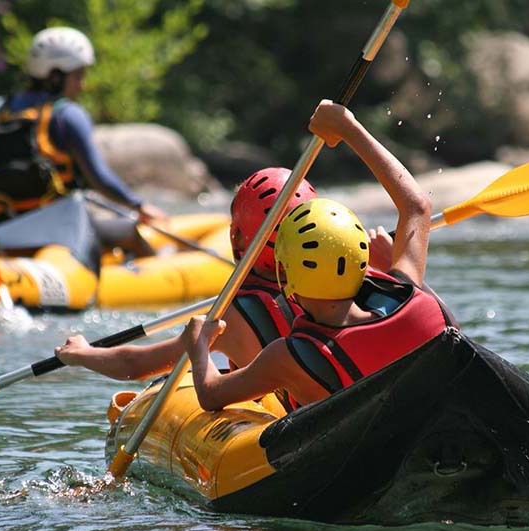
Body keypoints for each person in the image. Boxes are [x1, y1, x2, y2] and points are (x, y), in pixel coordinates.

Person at [181, 100, 457, 410]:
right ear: (361, 261)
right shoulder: (415, 299)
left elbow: (210, 394)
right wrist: (349, 128)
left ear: (287, 277)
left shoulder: (289, 356)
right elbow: (417, 206)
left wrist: (199, 347)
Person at [55, 167, 319, 411]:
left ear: (236, 236)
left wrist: (83, 354)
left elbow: (134, 365)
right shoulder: (342, 285)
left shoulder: (229, 317)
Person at [0, 26, 164, 257]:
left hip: (1, 231)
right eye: (78, 76)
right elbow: (99, 177)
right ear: (55, 76)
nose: (82, 85)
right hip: (59, 228)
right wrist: (139, 206)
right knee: (129, 232)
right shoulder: (67, 115)